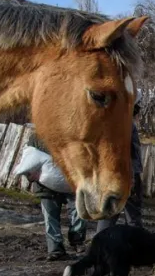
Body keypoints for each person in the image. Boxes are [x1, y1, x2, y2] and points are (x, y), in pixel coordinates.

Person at [26, 132, 86, 260]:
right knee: (50, 217)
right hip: (45, 187)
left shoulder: (71, 133)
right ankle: (55, 249)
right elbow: (28, 159)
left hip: (71, 182)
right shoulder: (36, 137)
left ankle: (78, 241)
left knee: (78, 211)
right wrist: (30, 175)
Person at [95, 91, 144, 233]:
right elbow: (125, 152)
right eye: (138, 104)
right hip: (124, 175)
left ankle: (99, 248)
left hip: (109, 176)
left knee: (108, 216)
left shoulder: (108, 121)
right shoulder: (124, 124)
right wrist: (132, 177)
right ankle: (135, 250)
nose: (139, 107)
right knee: (133, 219)